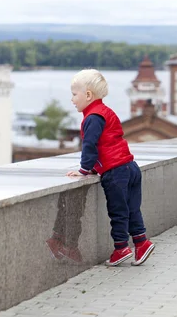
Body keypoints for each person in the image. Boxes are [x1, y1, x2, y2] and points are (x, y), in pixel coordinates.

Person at [66, 69, 155, 266]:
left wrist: (84, 169)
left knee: (118, 211)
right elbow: (110, 142)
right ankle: (141, 243)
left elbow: (90, 145)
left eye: (74, 94)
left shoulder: (93, 117)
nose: (72, 99)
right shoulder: (107, 112)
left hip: (115, 172)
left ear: (88, 95)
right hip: (130, 167)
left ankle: (121, 248)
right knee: (132, 209)